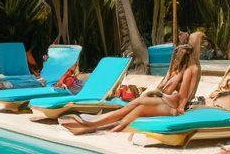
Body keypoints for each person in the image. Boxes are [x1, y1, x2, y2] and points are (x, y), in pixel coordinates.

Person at [60, 32, 204, 134]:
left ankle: (93, 124)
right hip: (169, 102)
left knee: (138, 105)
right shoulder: (191, 68)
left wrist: (172, 100)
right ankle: (94, 124)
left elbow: (183, 98)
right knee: (138, 105)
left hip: (171, 106)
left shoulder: (191, 70)